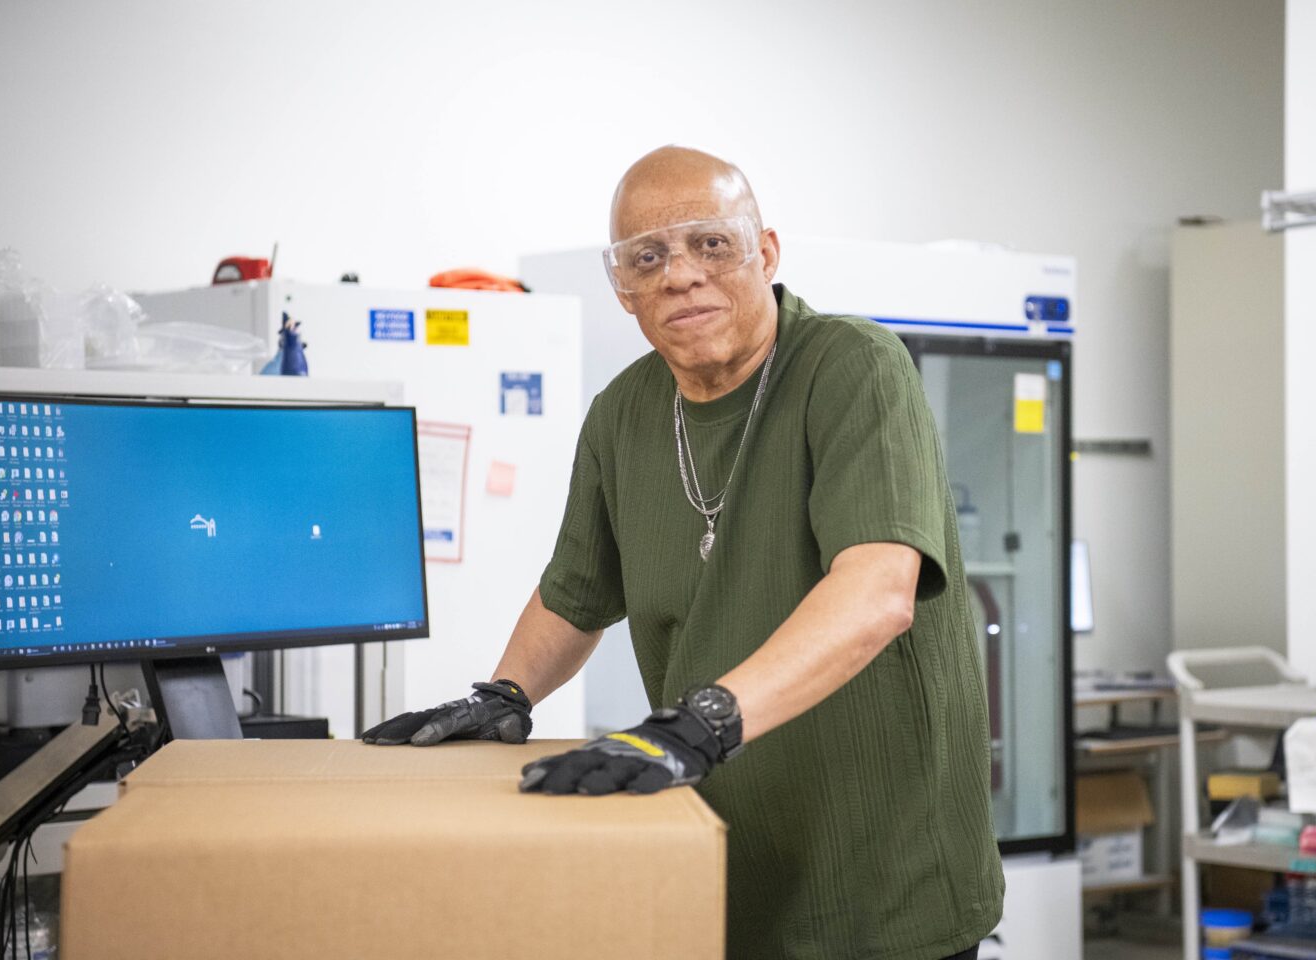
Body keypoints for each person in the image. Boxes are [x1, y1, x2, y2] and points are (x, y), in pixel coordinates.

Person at [363, 146, 1004, 960]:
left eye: (711, 243)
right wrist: (507, 694)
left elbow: (878, 592)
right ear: (622, 288)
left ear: (765, 253)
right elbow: (576, 595)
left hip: (880, 890)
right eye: (647, 257)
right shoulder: (623, 413)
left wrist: (705, 724)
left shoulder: (852, 368)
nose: (680, 275)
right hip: (713, 861)